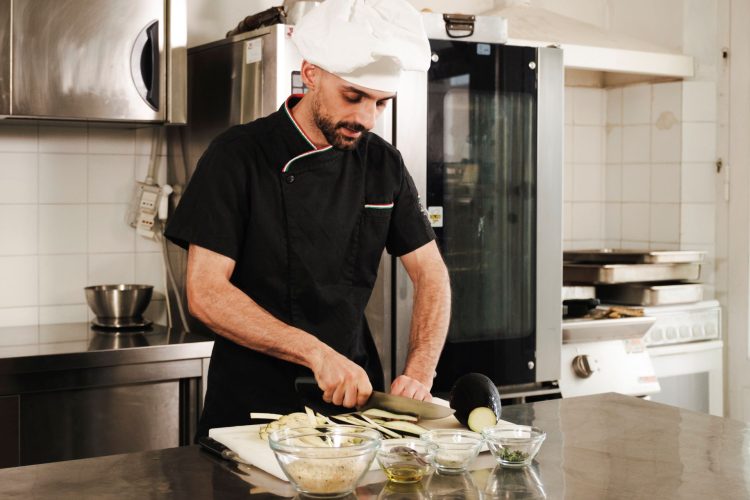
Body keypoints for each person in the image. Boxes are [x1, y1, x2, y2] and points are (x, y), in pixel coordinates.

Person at [165, 0, 451, 438]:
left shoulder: (383, 164)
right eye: (353, 96)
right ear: (311, 74)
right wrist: (315, 353)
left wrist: (420, 372)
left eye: (380, 103)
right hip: (251, 411)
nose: (366, 118)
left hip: (352, 413)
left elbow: (431, 274)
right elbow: (205, 293)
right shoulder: (238, 156)